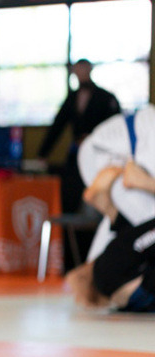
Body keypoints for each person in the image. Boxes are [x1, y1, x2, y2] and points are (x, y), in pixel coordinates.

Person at [66, 106, 155, 311]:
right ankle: (108, 205)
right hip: (108, 157)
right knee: (143, 224)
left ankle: (108, 207)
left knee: (136, 228)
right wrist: (142, 182)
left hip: (107, 157)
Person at [39, 60, 120, 269]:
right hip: (75, 160)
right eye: (77, 71)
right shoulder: (72, 98)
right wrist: (43, 154)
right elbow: (58, 125)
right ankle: (70, 263)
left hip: (101, 159)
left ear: (90, 71)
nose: (80, 74)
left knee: (97, 206)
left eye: (83, 70)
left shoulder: (105, 98)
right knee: (70, 202)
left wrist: (94, 138)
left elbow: (116, 126)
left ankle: (98, 260)